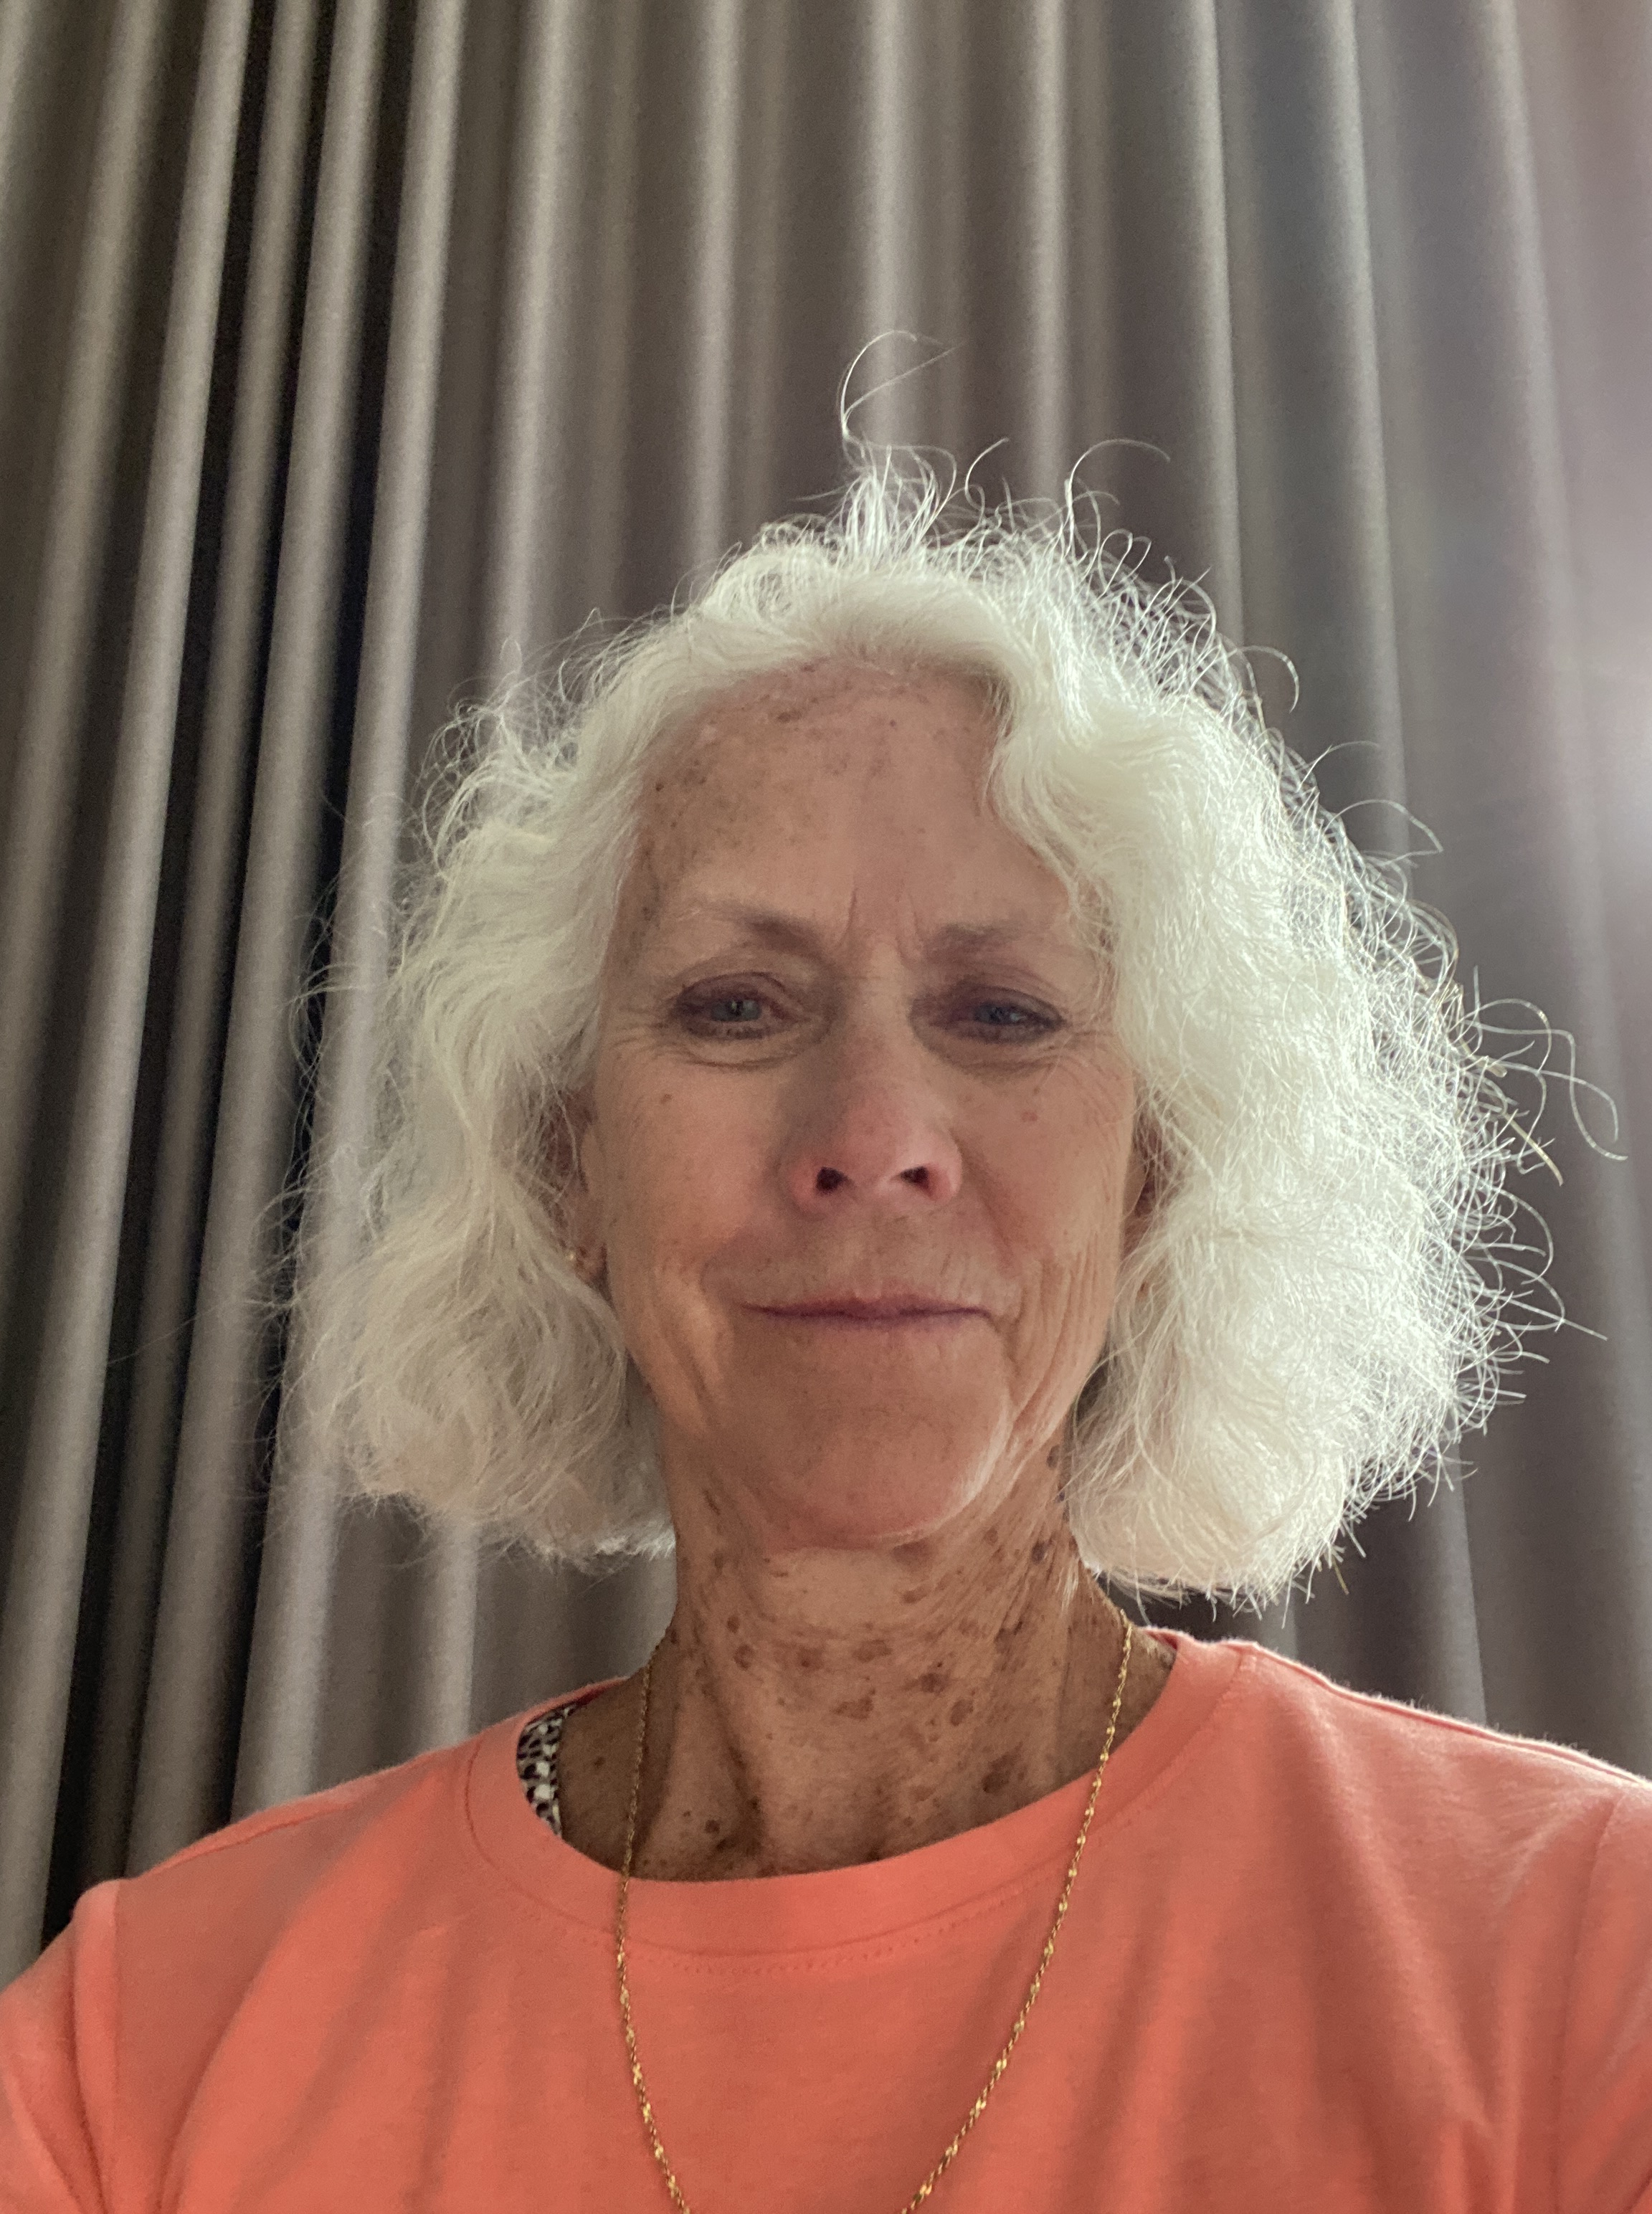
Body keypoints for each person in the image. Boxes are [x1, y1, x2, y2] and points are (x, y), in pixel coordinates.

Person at [2, 450, 1649, 2212]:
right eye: (735, 1004)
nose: (873, 1133)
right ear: (569, 1163)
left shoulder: (1582, 1959)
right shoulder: (139, 2047)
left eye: (1002, 1012)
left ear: (1155, 1175)